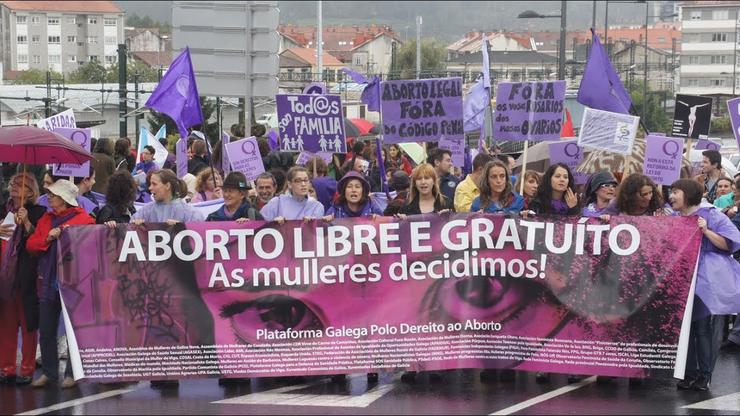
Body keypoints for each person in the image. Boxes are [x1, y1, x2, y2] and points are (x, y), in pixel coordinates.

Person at [669, 179, 740, 391]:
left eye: (675, 192)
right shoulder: (674, 217)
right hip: (683, 277)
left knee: (702, 328)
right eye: (671, 192)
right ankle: (689, 373)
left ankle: (704, 374)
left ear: (688, 193)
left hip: (705, 280)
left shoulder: (712, 214)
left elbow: (730, 244)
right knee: (686, 329)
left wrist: (706, 231)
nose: (671, 196)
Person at [27, 180, 95, 388]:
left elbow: (89, 245)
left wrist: (65, 232)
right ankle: (49, 372)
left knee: (74, 330)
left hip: (74, 281)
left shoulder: (85, 219)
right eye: (49, 194)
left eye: (53, 195)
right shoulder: (46, 219)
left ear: (65, 199)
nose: (49, 197)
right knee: (46, 329)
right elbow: (32, 246)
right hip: (48, 280)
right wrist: (48, 239)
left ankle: (72, 374)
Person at [0, 173, 46, 386]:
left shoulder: (39, 212)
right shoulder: (3, 208)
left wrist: (26, 221)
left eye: (18, 185)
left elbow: (39, 243)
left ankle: (27, 368)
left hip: (27, 276)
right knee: (6, 324)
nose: (13, 188)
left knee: (28, 325)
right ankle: (6, 367)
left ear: (30, 190)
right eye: (12, 184)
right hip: (5, 276)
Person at [132, 169, 205, 224]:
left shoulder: (192, 214)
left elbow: (199, 237)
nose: (150, 188)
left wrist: (183, 229)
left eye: (154, 184)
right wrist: (135, 226)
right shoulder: (145, 211)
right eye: (150, 184)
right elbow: (127, 234)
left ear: (167, 186)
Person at [260, 166, 324, 223]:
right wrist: (273, 223)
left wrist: (313, 223)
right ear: (290, 184)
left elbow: (318, 232)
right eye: (298, 181)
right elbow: (259, 223)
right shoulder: (277, 202)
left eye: (306, 180)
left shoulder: (317, 206)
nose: (303, 184)